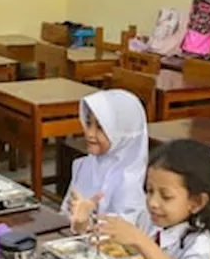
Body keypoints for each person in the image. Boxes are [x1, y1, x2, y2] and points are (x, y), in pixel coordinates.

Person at [97, 140, 210, 259]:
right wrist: (85, 220)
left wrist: (141, 240)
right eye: (149, 191)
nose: (152, 202)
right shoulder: (151, 219)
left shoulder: (199, 241)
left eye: (166, 196)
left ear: (196, 202)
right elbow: (124, 238)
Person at [62, 90, 149, 232]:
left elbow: (122, 237)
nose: (90, 133)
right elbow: (65, 213)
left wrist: (86, 221)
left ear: (122, 134)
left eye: (100, 128)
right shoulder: (85, 165)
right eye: (88, 123)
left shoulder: (130, 182)